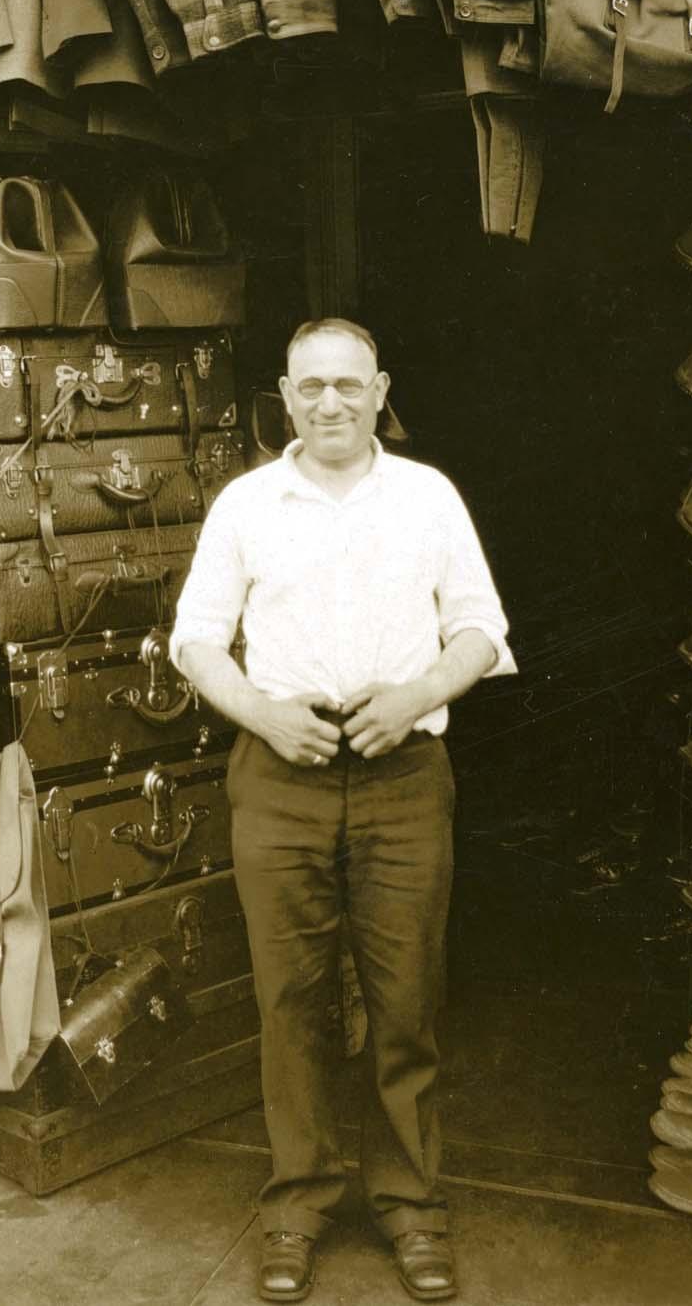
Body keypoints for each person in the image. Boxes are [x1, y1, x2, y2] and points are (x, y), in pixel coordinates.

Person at [172, 318, 514, 1304]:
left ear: (379, 390)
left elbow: (480, 629)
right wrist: (263, 715)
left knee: (406, 1000)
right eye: (311, 386)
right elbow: (196, 641)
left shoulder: (427, 496)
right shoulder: (245, 504)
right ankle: (297, 1204)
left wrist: (412, 696)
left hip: (403, 769)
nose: (330, 402)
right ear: (285, 396)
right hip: (279, 770)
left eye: (347, 385)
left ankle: (410, 1205)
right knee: (290, 1002)